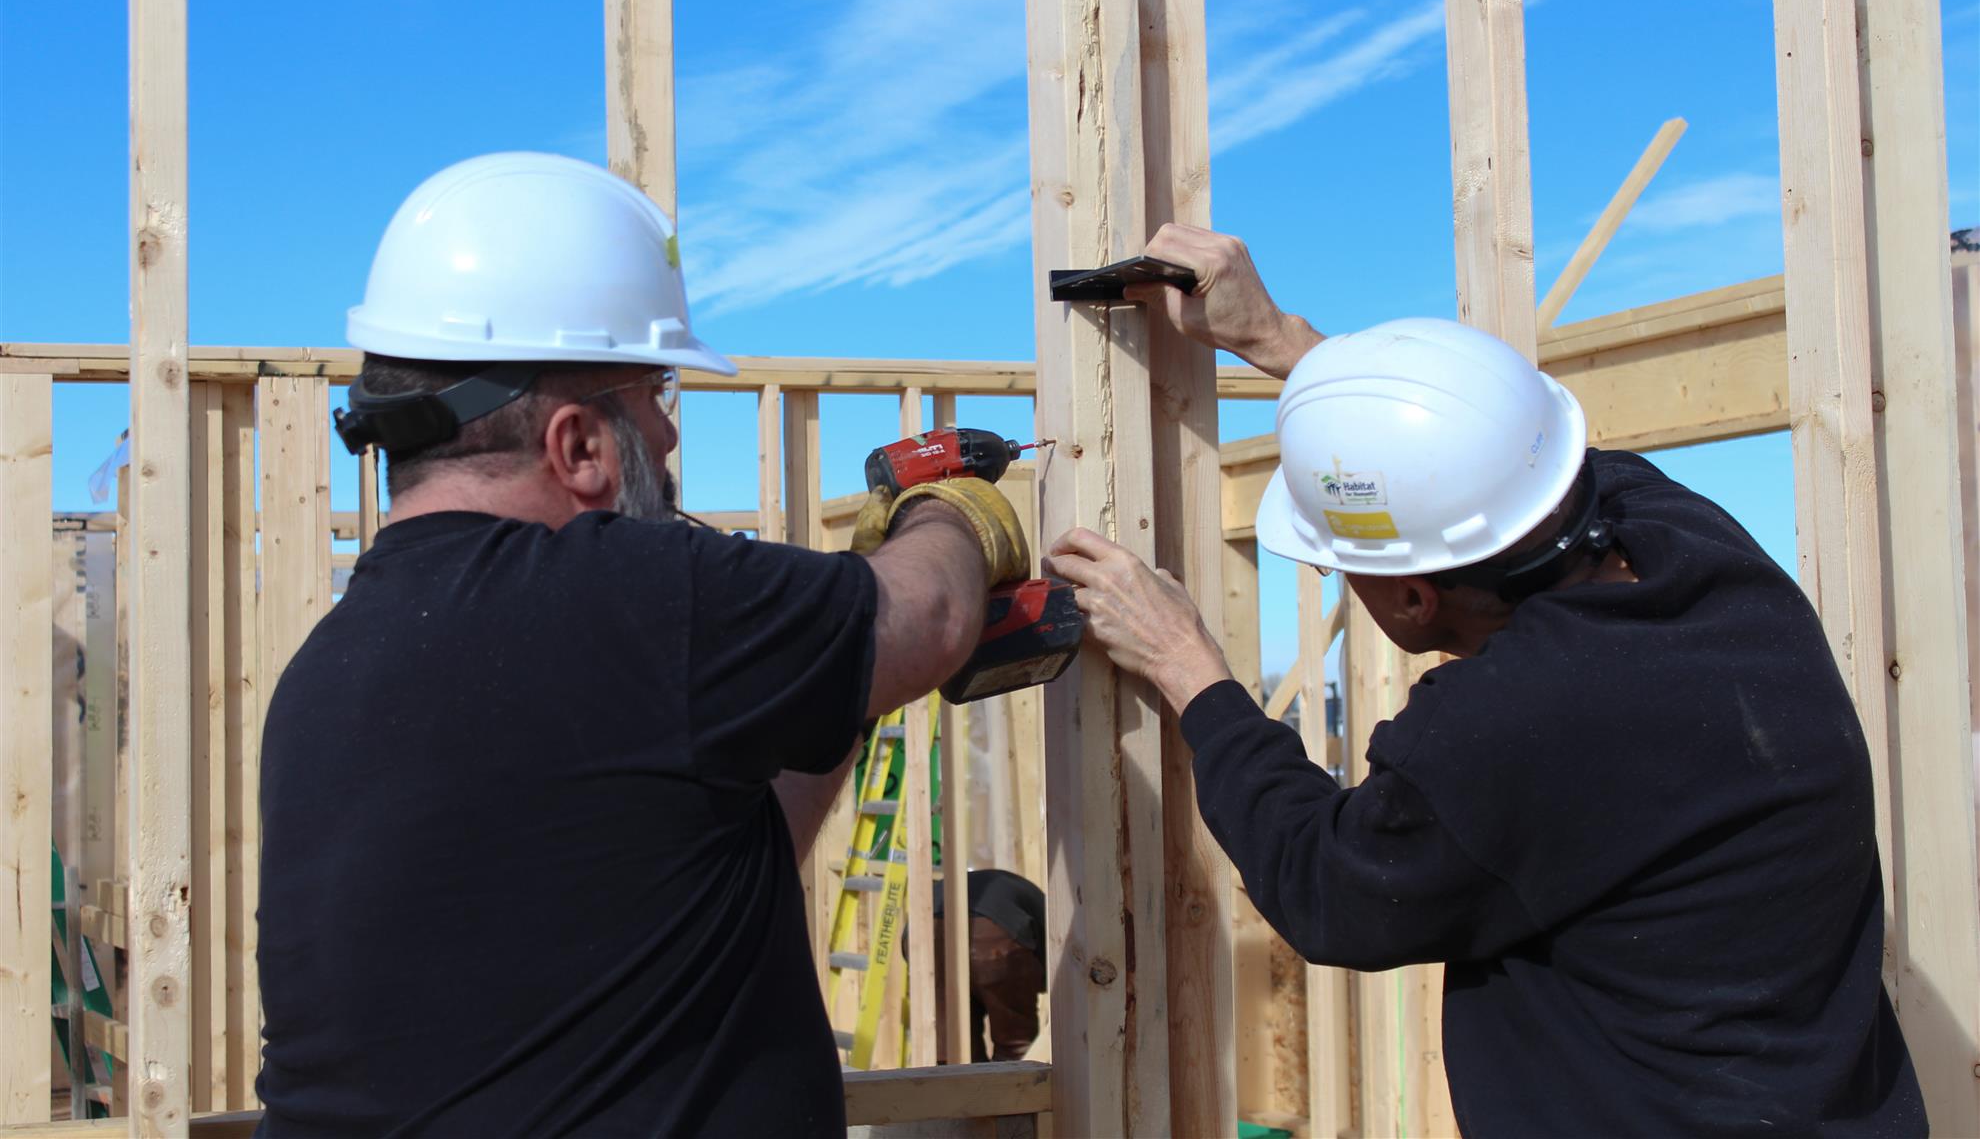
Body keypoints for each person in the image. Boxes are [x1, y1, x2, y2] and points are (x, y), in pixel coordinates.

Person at [1045, 224, 1923, 1136]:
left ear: (1416, 600)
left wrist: (1189, 669)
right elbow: (1506, 459)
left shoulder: (1510, 723)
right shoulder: (1700, 554)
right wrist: (1284, 343)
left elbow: (1332, 887)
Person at [254, 153, 1028, 1137]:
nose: (666, 435)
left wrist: (823, 668)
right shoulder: (628, 596)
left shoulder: (331, 670)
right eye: (655, 393)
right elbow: (933, 620)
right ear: (577, 444)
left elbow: (702, 871)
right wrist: (949, 518)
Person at [931, 868, 1047, 1063]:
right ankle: (1012, 1092)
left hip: (926, 931)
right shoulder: (1051, 921)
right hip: (995, 929)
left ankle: (963, 1093)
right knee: (1015, 1051)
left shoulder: (1028, 901)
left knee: (953, 1056)